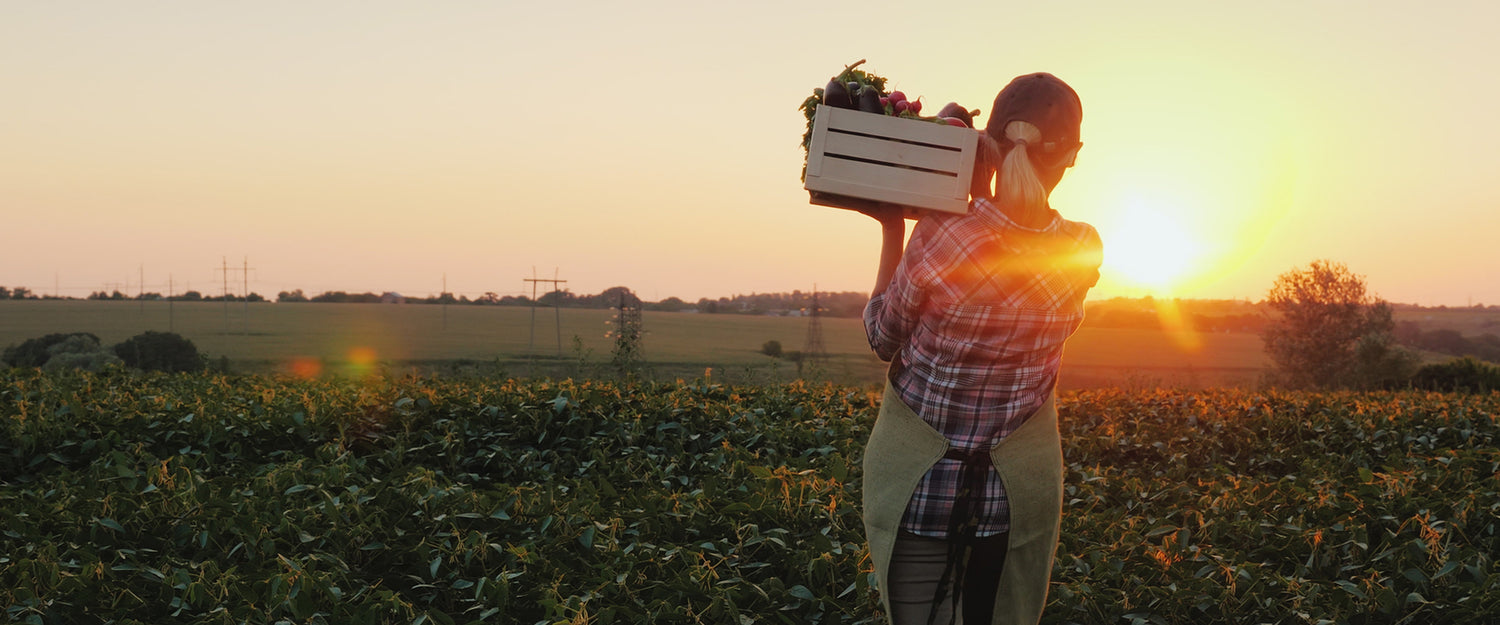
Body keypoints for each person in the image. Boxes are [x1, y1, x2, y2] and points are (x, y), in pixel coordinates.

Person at [858, 73, 1103, 625]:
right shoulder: (1083, 249)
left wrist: (893, 227)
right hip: (1012, 502)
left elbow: (881, 336)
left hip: (920, 491)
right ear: (1073, 156)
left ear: (986, 144)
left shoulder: (944, 235)